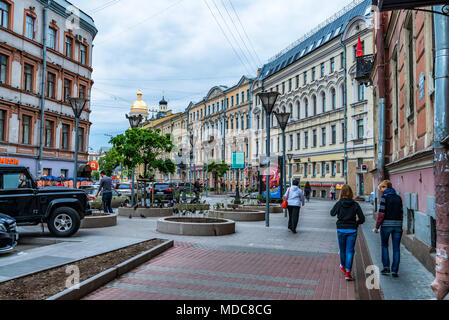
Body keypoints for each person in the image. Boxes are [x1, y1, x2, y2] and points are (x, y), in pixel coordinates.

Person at [330, 184, 365, 281]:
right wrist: (356, 223)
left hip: (341, 229)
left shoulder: (339, 203)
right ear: (351, 193)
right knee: (350, 251)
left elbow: (332, 213)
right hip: (352, 230)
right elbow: (362, 219)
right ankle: (348, 272)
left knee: (342, 250)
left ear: (341, 193)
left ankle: (343, 266)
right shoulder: (355, 204)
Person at [374, 180, 403, 278]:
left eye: (382, 187)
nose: (381, 190)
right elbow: (401, 213)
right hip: (398, 225)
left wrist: (377, 226)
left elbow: (381, 213)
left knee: (385, 246)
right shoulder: (398, 198)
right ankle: (395, 271)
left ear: (386, 187)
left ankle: (386, 267)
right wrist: (400, 224)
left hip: (386, 225)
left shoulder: (384, 198)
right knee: (396, 248)